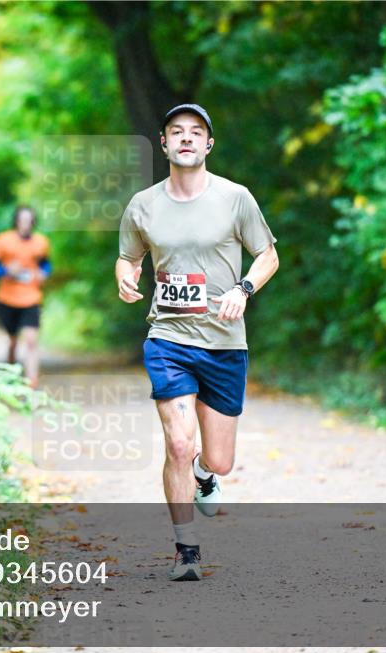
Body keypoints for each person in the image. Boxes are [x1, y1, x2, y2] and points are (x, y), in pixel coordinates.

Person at [115, 103, 280, 581]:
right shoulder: (142, 205)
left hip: (225, 343)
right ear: (164, 144)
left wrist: (243, 289)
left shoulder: (235, 199)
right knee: (179, 443)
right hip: (168, 337)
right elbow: (128, 257)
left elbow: (268, 255)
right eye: (176, 132)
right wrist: (126, 279)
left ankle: (206, 476)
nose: (185, 138)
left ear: (208, 145)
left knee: (220, 460)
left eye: (196, 132)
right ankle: (186, 551)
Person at [0, 205, 51, 388]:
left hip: (31, 297)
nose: (25, 224)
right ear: (16, 221)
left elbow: (46, 264)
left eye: (29, 221)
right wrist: (6, 271)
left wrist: (44, 273)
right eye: (22, 220)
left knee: (31, 340)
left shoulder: (41, 242)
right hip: (7, 298)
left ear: (33, 222)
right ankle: (11, 371)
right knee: (13, 339)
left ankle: (32, 382)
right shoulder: (2, 241)